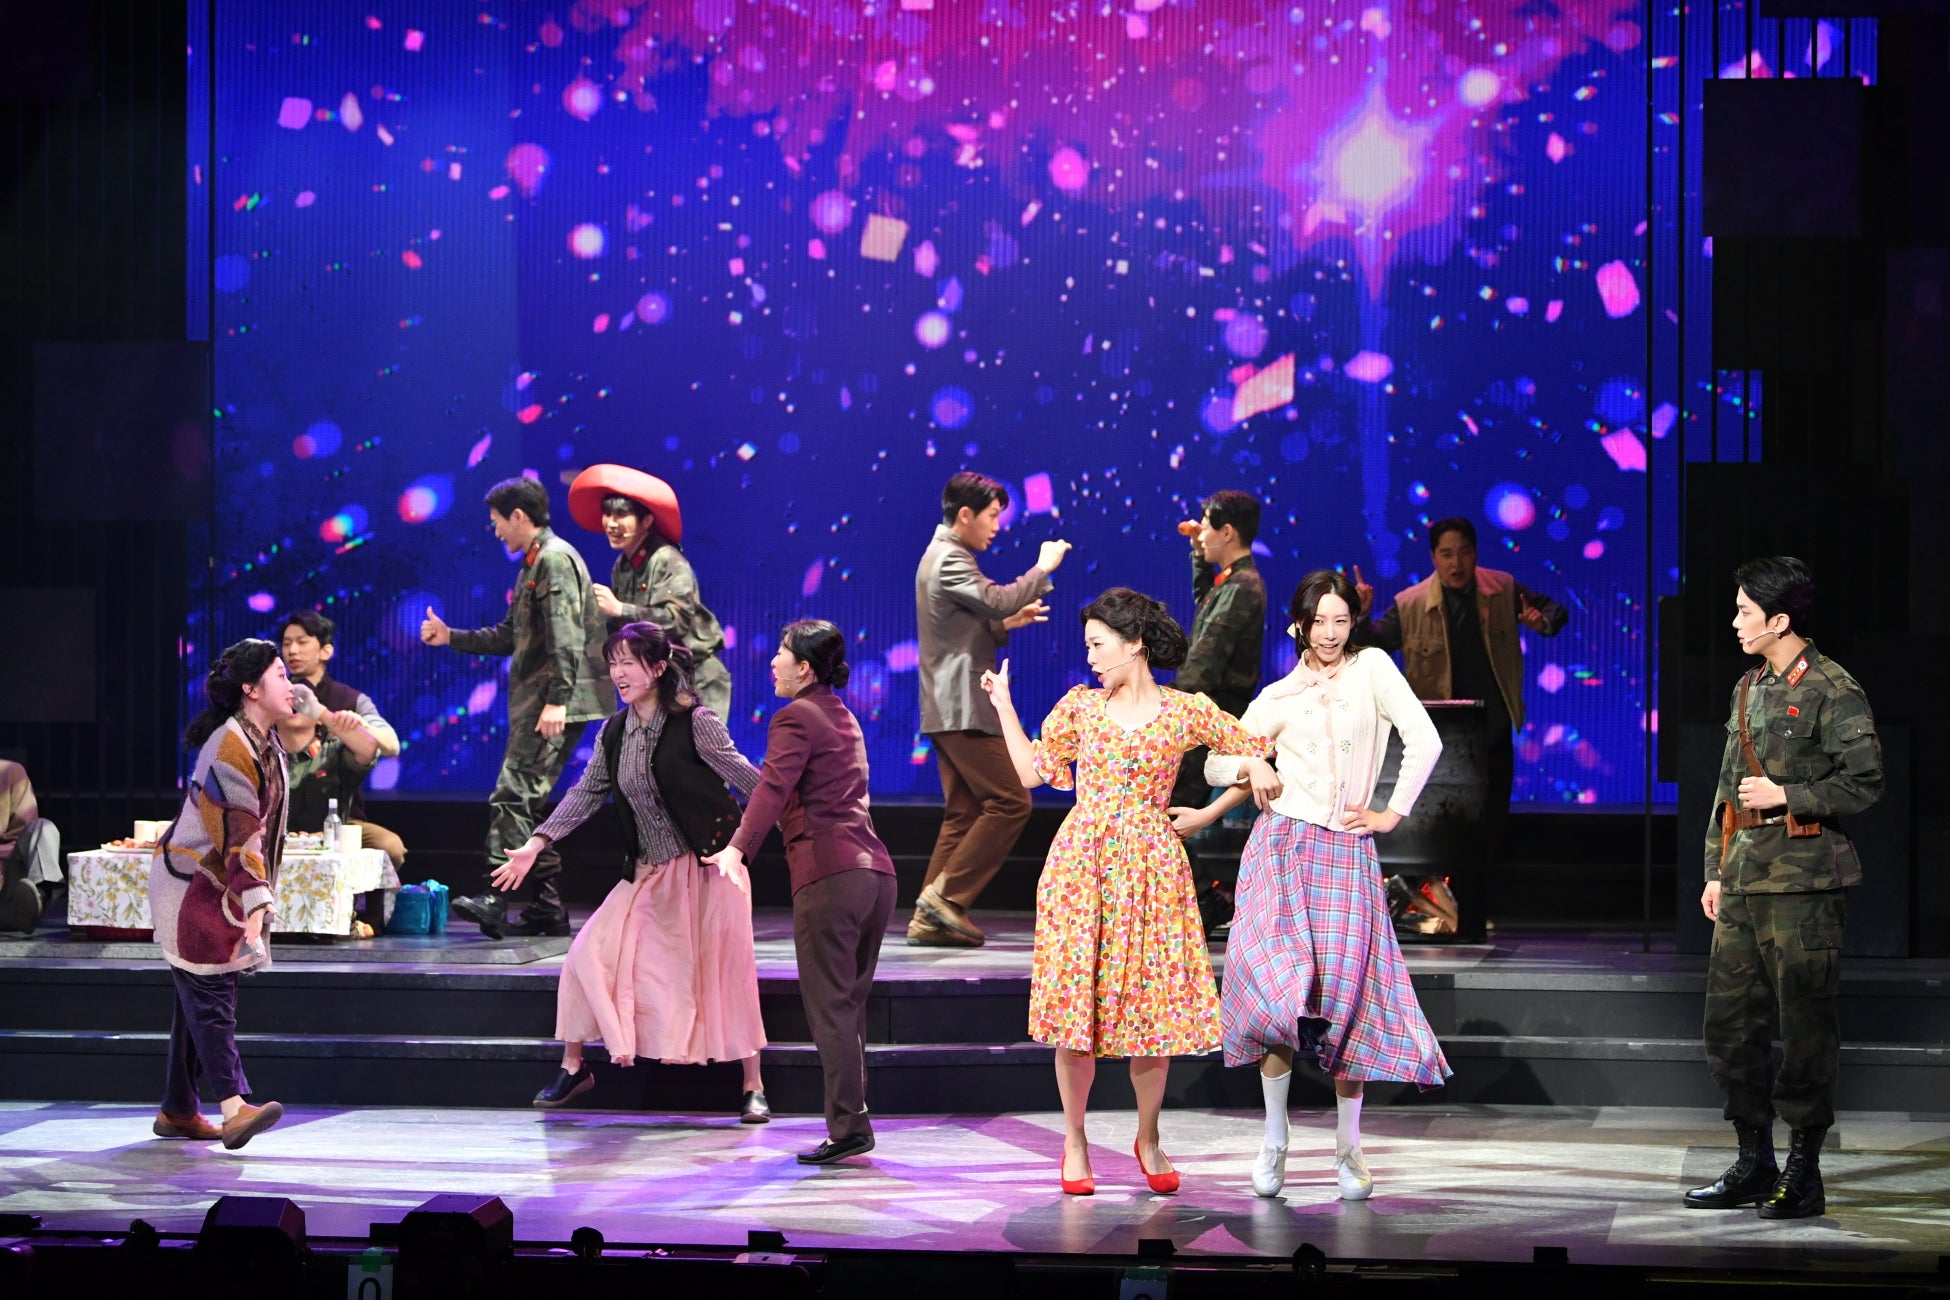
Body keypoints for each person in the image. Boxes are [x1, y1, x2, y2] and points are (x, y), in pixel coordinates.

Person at [980, 588, 1269, 1196]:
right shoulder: (1081, 708)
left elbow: (1254, 752)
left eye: (1097, 645)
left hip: (1153, 871)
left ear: (1134, 644)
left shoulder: (1184, 710)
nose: (1089, 657)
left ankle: (1149, 1136)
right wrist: (1004, 706)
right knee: (1075, 1013)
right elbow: (1033, 771)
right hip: (1082, 870)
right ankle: (1075, 1140)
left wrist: (1209, 812)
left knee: (1151, 1010)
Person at [1188, 571, 1450, 1202]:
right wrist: (1252, 762)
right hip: (1280, 851)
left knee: (1343, 1000)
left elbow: (1425, 738)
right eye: (1319, 622)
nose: (1330, 634)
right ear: (1298, 626)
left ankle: (1348, 1146)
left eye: (1341, 620)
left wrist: (1390, 813)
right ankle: (1274, 1140)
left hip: (1345, 852)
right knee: (1278, 999)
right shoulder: (1278, 695)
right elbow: (1216, 761)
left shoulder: (1373, 669)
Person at [493, 622, 769, 1120]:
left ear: (658, 668)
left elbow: (751, 782)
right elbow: (585, 792)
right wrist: (537, 843)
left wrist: (801, 824)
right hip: (649, 872)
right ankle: (574, 1066)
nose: (618, 673)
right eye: (613, 663)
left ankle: (753, 1083)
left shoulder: (697, 722)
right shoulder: (615, 731)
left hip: (708, 868)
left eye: (628, 663)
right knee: (585, 955)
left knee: (724, 973)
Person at [1686, 557, 1883, 1221]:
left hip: (1804, 885)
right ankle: (1754, 1162)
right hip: (1744, 880)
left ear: (1779, 620)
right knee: (1730, 1029)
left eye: (1745, 611)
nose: (1735, 622)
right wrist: (1715, 869)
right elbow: (1726, 788)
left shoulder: (1832, 688)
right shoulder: (1749, 687)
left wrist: (1788, 794)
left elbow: (1865, 782)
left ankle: (1803, 1173)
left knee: (1804, 1029)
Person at [704, 621, 896, 1166]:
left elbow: (771, 787)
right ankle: (852, 1121)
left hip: (830, 876)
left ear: (805, 668)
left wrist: (737, 848)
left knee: (831, 1008)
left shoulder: (796, 716)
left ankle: (849, 1128)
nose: (773, 661)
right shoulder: (842, 714)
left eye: (782, 653)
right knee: (847, 1008)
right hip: (875, 875)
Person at [422, 477, 610, 938]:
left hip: (553, 701)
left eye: (497, 522)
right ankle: (547, 906)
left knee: (512, 794)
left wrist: (558, 701)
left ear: (519, 516)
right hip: (541, 700)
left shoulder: (553, 559)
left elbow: (567, 635)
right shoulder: (533, 563)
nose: (495, 531)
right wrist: (451, 637)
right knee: (526, 801)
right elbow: (511, 634)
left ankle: (496, 895)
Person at [910, 471, 1071, 948]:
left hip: (949, 704)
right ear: (966, 515)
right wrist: (1042, 568)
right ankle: (945, 899)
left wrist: (1006, 625)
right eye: (993, 516)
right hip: (961, 703)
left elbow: (962, 625)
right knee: (1011, 800)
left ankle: (929, 916)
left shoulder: (944, 555)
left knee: (964, 812)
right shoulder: (949, 557)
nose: (997, 526)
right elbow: (995, 598)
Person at [147, 639, 293, 1149]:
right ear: (251, 689)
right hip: (191, 888)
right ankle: (234, 1109)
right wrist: (256, 899)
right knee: (212, 999)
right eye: (280, 674)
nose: (290, 683)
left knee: (197, 1001)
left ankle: (178, 1110)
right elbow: (239, 835)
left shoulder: (264, 741)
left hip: (215, 885)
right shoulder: (229, 747)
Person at [1358, 517, 1567, 865]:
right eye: (1447, 554)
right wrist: (1362, 616)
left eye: (1465, 552)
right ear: (1433, 557)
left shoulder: (1501, 589)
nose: (1456, 563)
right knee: (1439, 826)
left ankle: (1485, 892)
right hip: (1439, 733)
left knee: (1493, 822)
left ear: (1476, 553)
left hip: (1492, 727)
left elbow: (1554, 612)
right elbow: (1373, 646)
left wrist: (1540, 621)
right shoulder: (1411, 603)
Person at [1166, 489, 1267, 930]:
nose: (1200, 532)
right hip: (1202, 712)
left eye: (1206, 526)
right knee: (1163, 809)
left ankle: (1206, 898)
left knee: (1163, 809)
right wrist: (1196, 554)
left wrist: (1166, 710)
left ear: (1227, 531)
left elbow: (1204, 663)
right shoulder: (1230, 582)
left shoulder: (1243, 587)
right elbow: (1204, 598)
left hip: (1209, 718)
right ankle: (1201, 898)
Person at [567, 465, 734, 718]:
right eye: (607, 514)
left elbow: (676, 622)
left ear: (646, 521)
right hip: (660, 681)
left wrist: (620, 609)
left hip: (696, 679)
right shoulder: (623, 566)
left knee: (702, 744)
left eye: (621, 515)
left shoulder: (667, 559)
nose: (611, 524)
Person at [279, 610, 409, 888]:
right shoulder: (277, 693)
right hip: (284, 820)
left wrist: (353, 725)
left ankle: (361, 905)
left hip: (339, 819)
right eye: (287, 643)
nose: (292, 650)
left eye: (302, 642)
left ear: (326, 650)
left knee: (389, 845)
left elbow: (391, 745)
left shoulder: (348, 699)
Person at [276, 682, 388, 936]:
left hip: (329, 843)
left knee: (386, 845)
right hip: (279, 845)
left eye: (303, 703)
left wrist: (321, 712)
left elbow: (368, 748)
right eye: (290, 701)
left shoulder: (332, 749)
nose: (296, 706)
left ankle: (365, 919)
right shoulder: (266, 750)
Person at [0, 758, 62, 935]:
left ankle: (37, 898)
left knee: (43, 827)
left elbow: (23, 828)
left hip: (8, 895)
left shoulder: (10, 771)